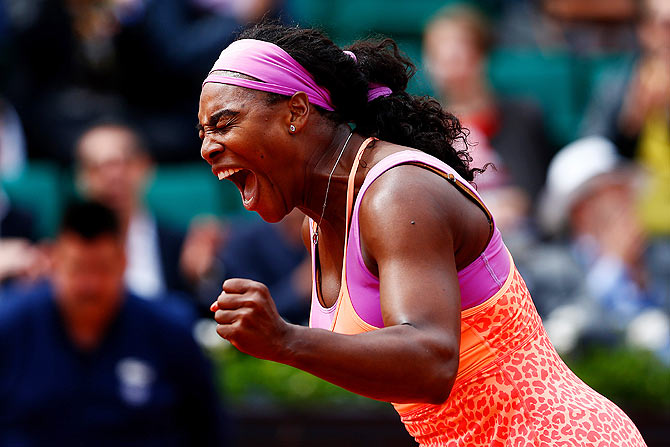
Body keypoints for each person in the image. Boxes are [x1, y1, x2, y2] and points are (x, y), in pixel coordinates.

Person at [198, 21, 646, 446]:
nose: (207, 147)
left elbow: (430, 363)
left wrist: (285, 340)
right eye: (202, 132)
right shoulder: (321, 224)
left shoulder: (398, 193)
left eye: (223, 123)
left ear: (296, 110)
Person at [0, 200, 225, 446]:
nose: (90, 285)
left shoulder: (170, 329)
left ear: (123, 263)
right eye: (78, 269)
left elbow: (210, 429)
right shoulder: (10, 326)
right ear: (55, 263)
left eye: (101, 269)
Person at [75, 120, 189, 301]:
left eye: (125, 163)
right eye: (97, 167)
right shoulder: (62, 249)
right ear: (80, 178)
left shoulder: (180, 245)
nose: (113, 176)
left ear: (146, 166)